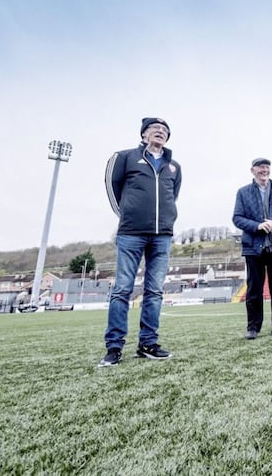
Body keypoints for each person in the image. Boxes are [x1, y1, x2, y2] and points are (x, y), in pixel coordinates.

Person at [99, 117, 182, 367]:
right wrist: (126, 215)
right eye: (156, 128)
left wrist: (166, 220)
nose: (161, 132)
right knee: (123, 288)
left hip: (162, 236)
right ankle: (114, 347)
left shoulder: (174, 166)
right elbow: (111, 186)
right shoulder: (123, 157)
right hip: (131, 234)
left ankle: (148, 343)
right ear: (144, 133)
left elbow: (173, 195)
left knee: (155, 291)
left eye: (165, 130)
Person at [233, 158, 272, 340]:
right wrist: (258, 226)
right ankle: (253, 328)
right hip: (254, 248)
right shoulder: (243, 192)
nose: (264, 170)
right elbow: (237, 218)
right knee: (254, 290)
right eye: (260, 167)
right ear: (252, 170)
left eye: (267, 167)